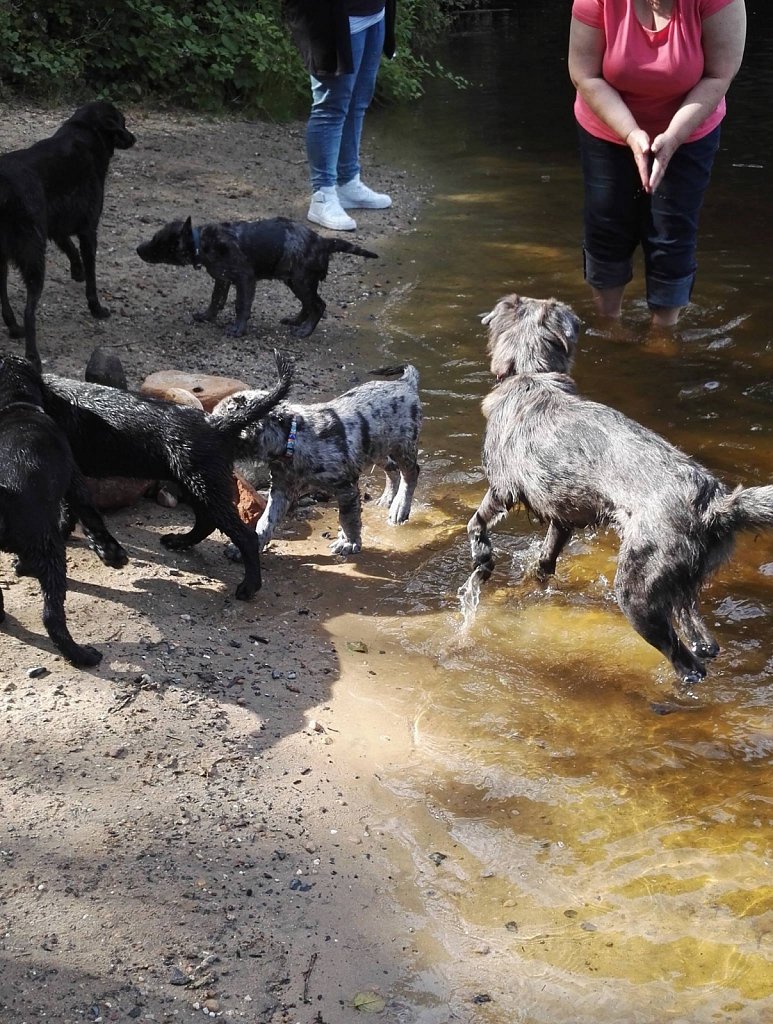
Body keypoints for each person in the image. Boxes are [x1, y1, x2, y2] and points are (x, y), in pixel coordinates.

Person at [568, 0, 746, 327]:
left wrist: (673, 137)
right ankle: (610, 323)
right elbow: (584, 74)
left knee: (672, 232)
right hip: (607, 124)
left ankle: (663, 336)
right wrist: (631, 133)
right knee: (607, 223)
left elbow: (720, 74)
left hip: (689, 128)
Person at [284, 0, 397, 232]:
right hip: (334, 16)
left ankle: (348, 182)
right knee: (330, 107)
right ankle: (322, 196)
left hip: (374, 13)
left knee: (358, 101)